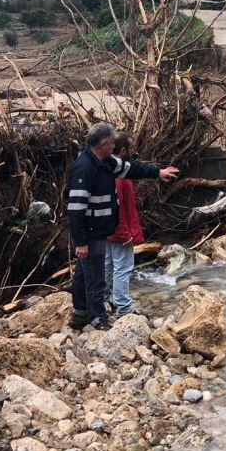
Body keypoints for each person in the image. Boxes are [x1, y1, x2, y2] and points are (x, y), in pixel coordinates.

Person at [67, 123, 178, 330]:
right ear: (103, 143)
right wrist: (81, 242)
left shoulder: (106, 162)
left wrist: (157, 173)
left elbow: (131, 169)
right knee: (96, 278)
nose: (113, 147)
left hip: (102, 231)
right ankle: (97, 319)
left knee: (84, 274)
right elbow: (75, 210)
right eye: (111, 143)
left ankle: (79, 314)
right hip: (91, 233)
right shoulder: (84, 168)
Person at [105, 135, 146, 317]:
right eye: (130, 148)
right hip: (119, 232)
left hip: (106, 231)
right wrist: (126, 234)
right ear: (122, 151)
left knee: (107, 266)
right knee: (123, 269)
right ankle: (124, 308)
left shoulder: (107, 169)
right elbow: (119, 208)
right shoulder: (120, 177)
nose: (133, 151)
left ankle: (105, 300)